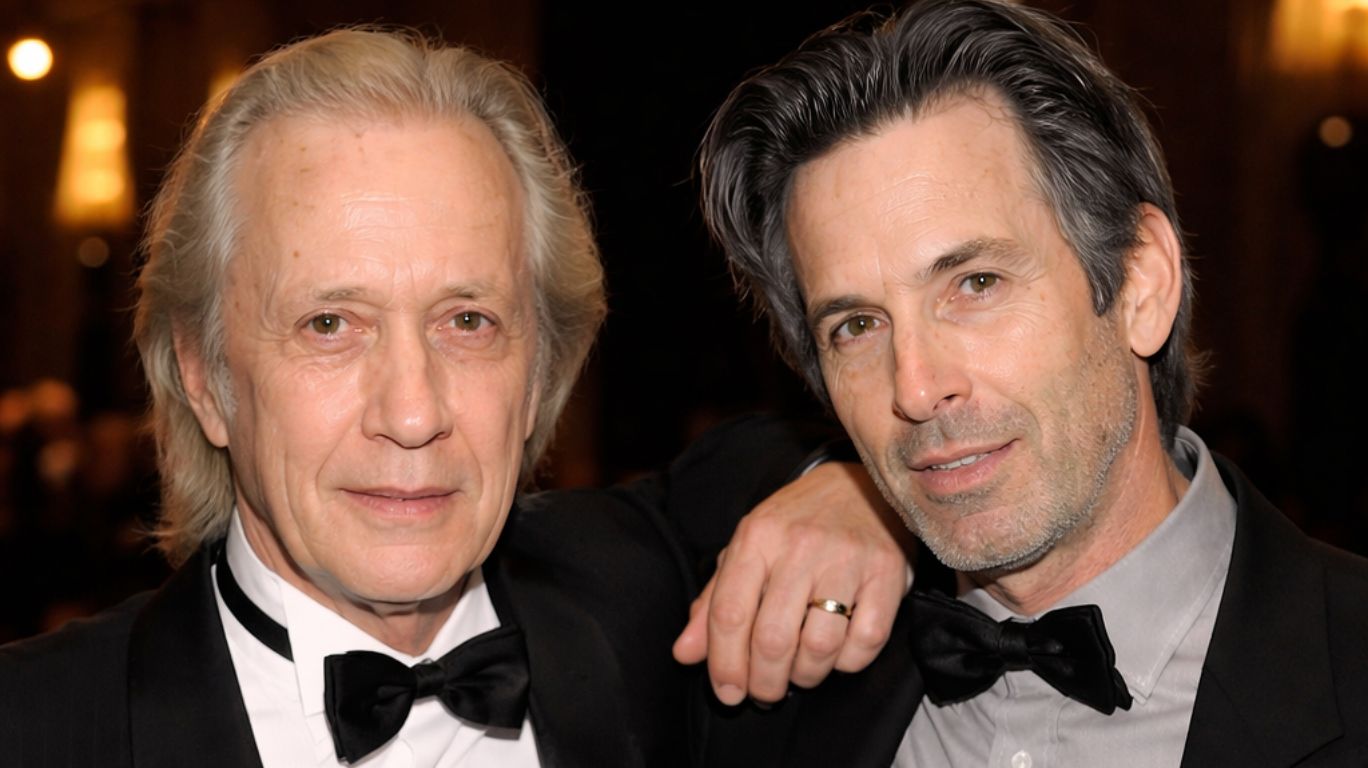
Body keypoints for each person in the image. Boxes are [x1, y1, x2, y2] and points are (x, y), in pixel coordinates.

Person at [0, 29, 913, 767]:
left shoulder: (642, 599)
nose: (411, 413)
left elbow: (757, 464)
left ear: (542, 375)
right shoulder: (35, 724)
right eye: (330, 324)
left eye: (468, 321)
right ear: (206, 379)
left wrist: (866, 495)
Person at [698, 1, 1368, 765]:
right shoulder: (772, 690)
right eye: (856, 326)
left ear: (1139, 284)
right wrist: (831, 481)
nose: (915, 389)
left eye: (976, 283)